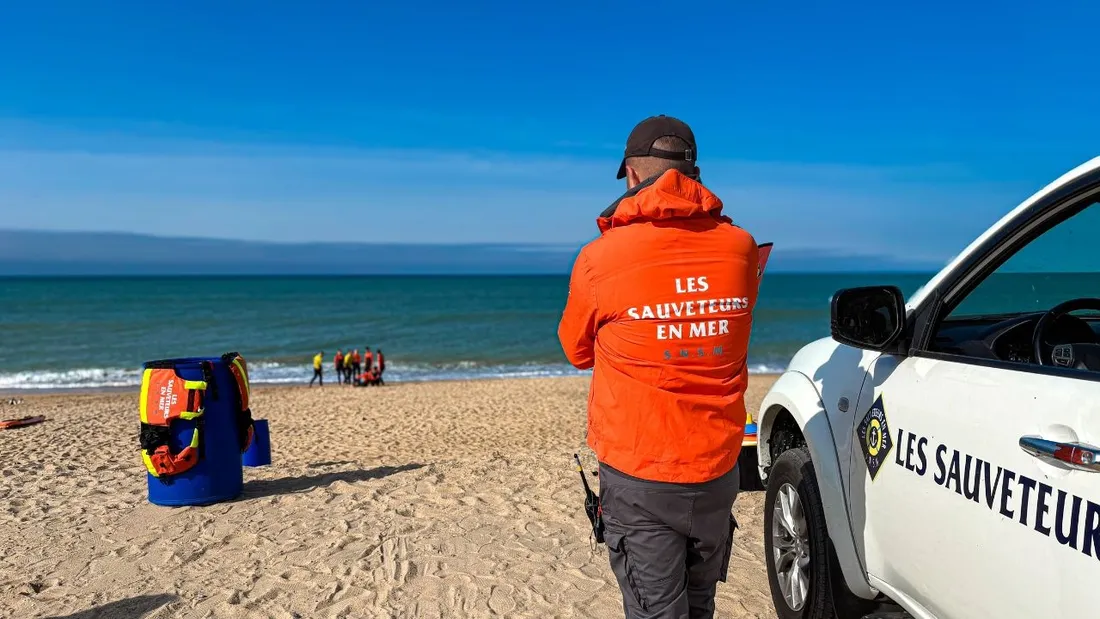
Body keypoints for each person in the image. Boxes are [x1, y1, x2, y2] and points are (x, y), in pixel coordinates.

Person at [557, 115, 760, 619]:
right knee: (700, 602)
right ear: (696, 175)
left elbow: (576, 351)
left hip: (640, 467)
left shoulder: (600, 258)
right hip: (718, 465)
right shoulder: (741, 248)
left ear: (629, 175)